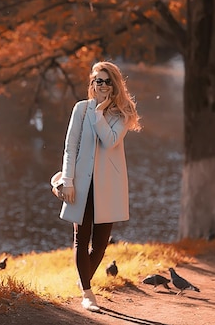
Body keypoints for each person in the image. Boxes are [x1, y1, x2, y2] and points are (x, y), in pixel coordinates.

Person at [56, 61, 141, 312]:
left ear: (114, 84)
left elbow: (109, 140)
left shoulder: (123, 114)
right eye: (97, 81)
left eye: (106, 81)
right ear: (92, 84)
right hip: (81, 185)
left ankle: (84, 281)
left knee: (101, 243)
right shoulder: (81, 109)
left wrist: (100, 113)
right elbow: (70, 148)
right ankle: (87, 293)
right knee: (80, 240)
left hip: (109, 187)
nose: (102, 85)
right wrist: (68, 181)